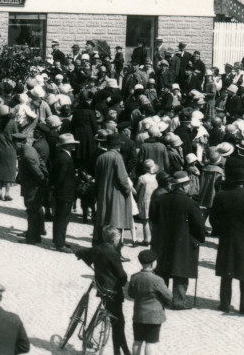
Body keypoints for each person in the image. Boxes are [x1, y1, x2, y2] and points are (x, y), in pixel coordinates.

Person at [209, 165, 244, 314]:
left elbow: (213, 219)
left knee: (226, 274)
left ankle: (225, 304)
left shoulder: (220, 196)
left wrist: (221, 231)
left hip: (227, 240)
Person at [147, 171, 205, 309]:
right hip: (183, 242)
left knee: (163, 269)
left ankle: (162, 298)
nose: (190, 187)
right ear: (184, 186)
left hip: (163, 241)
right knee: (181, 270)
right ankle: (178, 301)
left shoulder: (161, 200)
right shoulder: (191, 203)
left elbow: (153, 218)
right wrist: (200, 238)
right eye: (189, 184)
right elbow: (199, 226)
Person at [75, 226, 132, 355]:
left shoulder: (98, 248)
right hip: (113, 291)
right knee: (118, 322)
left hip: (101, 287)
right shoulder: (113, 253)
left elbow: (83, 252)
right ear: (113, 239)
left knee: (116, 320)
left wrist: (78, 254)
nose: (119, 240)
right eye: (118, 238)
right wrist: (123, 284)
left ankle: (123, 350)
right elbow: (122, 275)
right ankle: (119, 351)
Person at [126, 250, 172, 355]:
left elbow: (131, 294)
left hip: (139, 316)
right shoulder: (157, 280)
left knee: (137, 341)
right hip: (153, 318)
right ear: (153, 263)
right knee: (150, 343)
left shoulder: (134, 277)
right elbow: (169, 296)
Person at [94, 133, 133, 246]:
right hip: (116, 193)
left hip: (103, 192)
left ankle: (101, 244)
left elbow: (97, 177)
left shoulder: (101, 157)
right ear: (118, 145)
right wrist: (128, 190)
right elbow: (122, 178)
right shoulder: (117, 157)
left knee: (103, 220)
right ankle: (115, 248)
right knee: (116, 221)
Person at [17, 132, 47, 244]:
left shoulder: (27, 155)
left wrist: (42, 179)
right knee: (36, 210)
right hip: (33, 186)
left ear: (19, 143)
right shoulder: (31, 149)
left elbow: (37, 172)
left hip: (31, 187)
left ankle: (31, 238)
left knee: (31, 212)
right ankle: (37, 234)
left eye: (14, 144)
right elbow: (41, 163)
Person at [52, 133, 79, 252]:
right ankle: (60, 243)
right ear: (66, 145)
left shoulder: (62, 156)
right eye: (72, 144)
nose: (74, 146)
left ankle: (58, 239)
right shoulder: (65, 158)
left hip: (62, 192)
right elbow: (61, 177)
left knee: (60, 217)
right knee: (62, 218)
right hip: (65, 193)